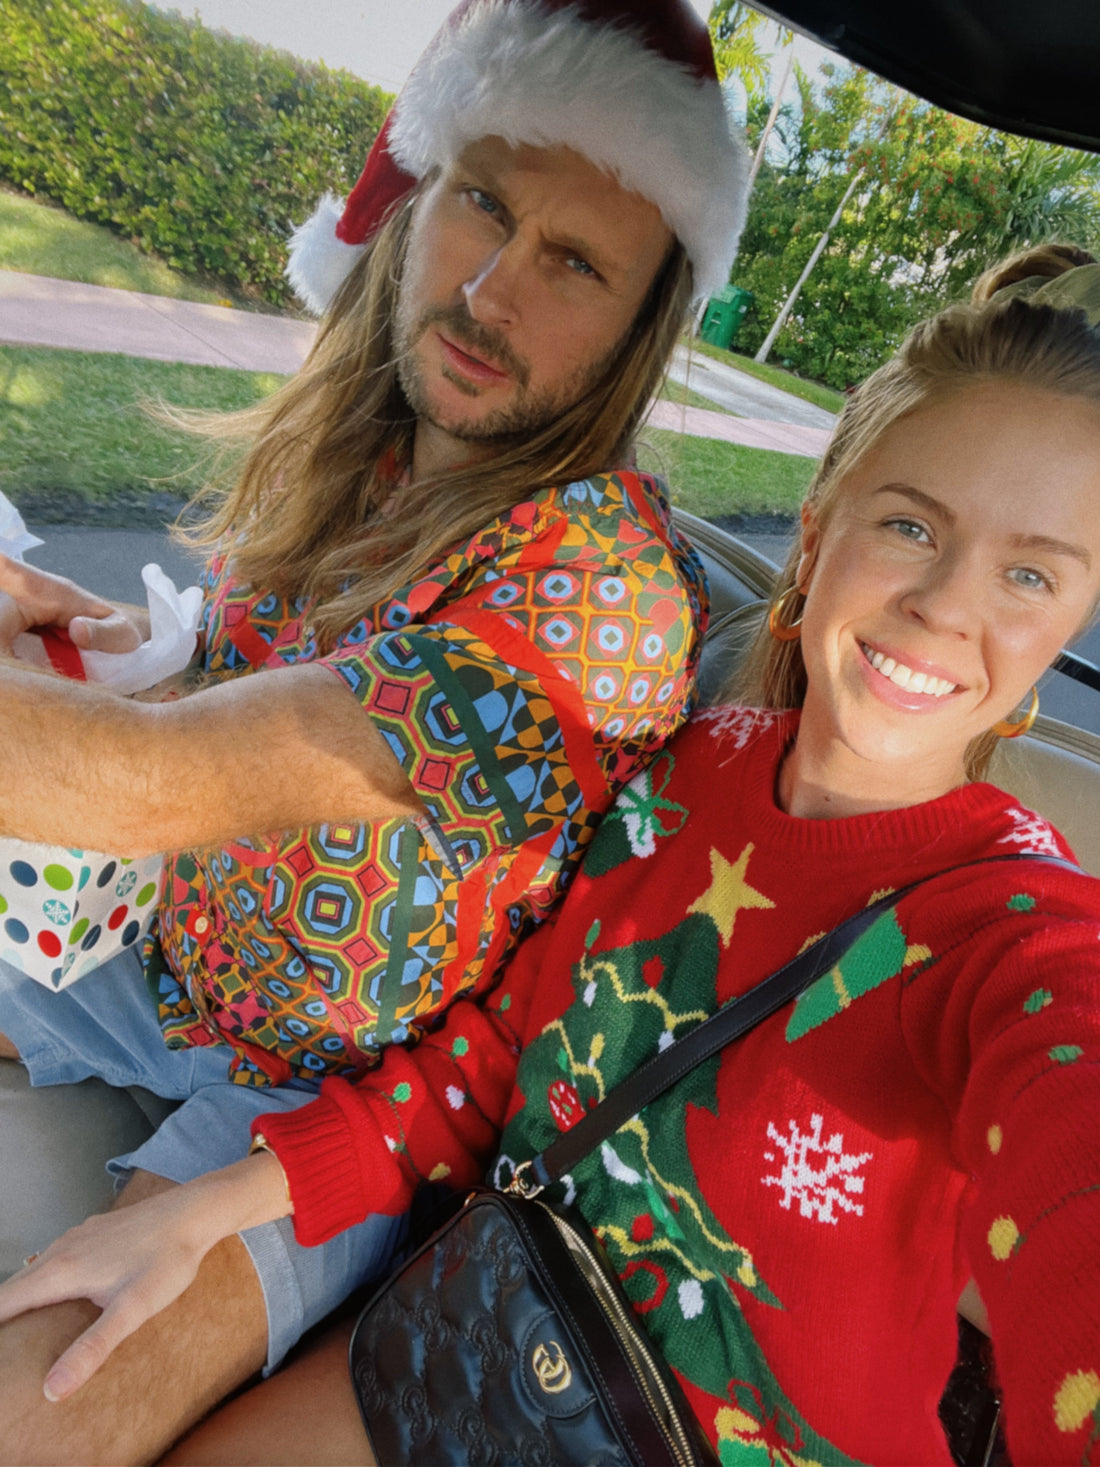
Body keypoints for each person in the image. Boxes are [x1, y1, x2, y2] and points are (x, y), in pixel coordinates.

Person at [165, 281, 1100, 1465]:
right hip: (487, 1345)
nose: (944, 606)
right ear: (813, 537)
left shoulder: (1019, 926)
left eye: (1029, 577)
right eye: (910, 526)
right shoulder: (685, 767)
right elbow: (499, 1056)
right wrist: (209, 1209)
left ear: (1066, 624)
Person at [0, 0, 750, 1459]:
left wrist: (103, 736)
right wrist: (66, 646)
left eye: (576, 263)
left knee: (38, 1415)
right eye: (482, 201)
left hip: (321, 1107)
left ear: (642, 327)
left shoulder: (602, 596)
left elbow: (179, 778)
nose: (488, 291)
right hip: (155, 951)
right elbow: (195, 700)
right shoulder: (367, 449)